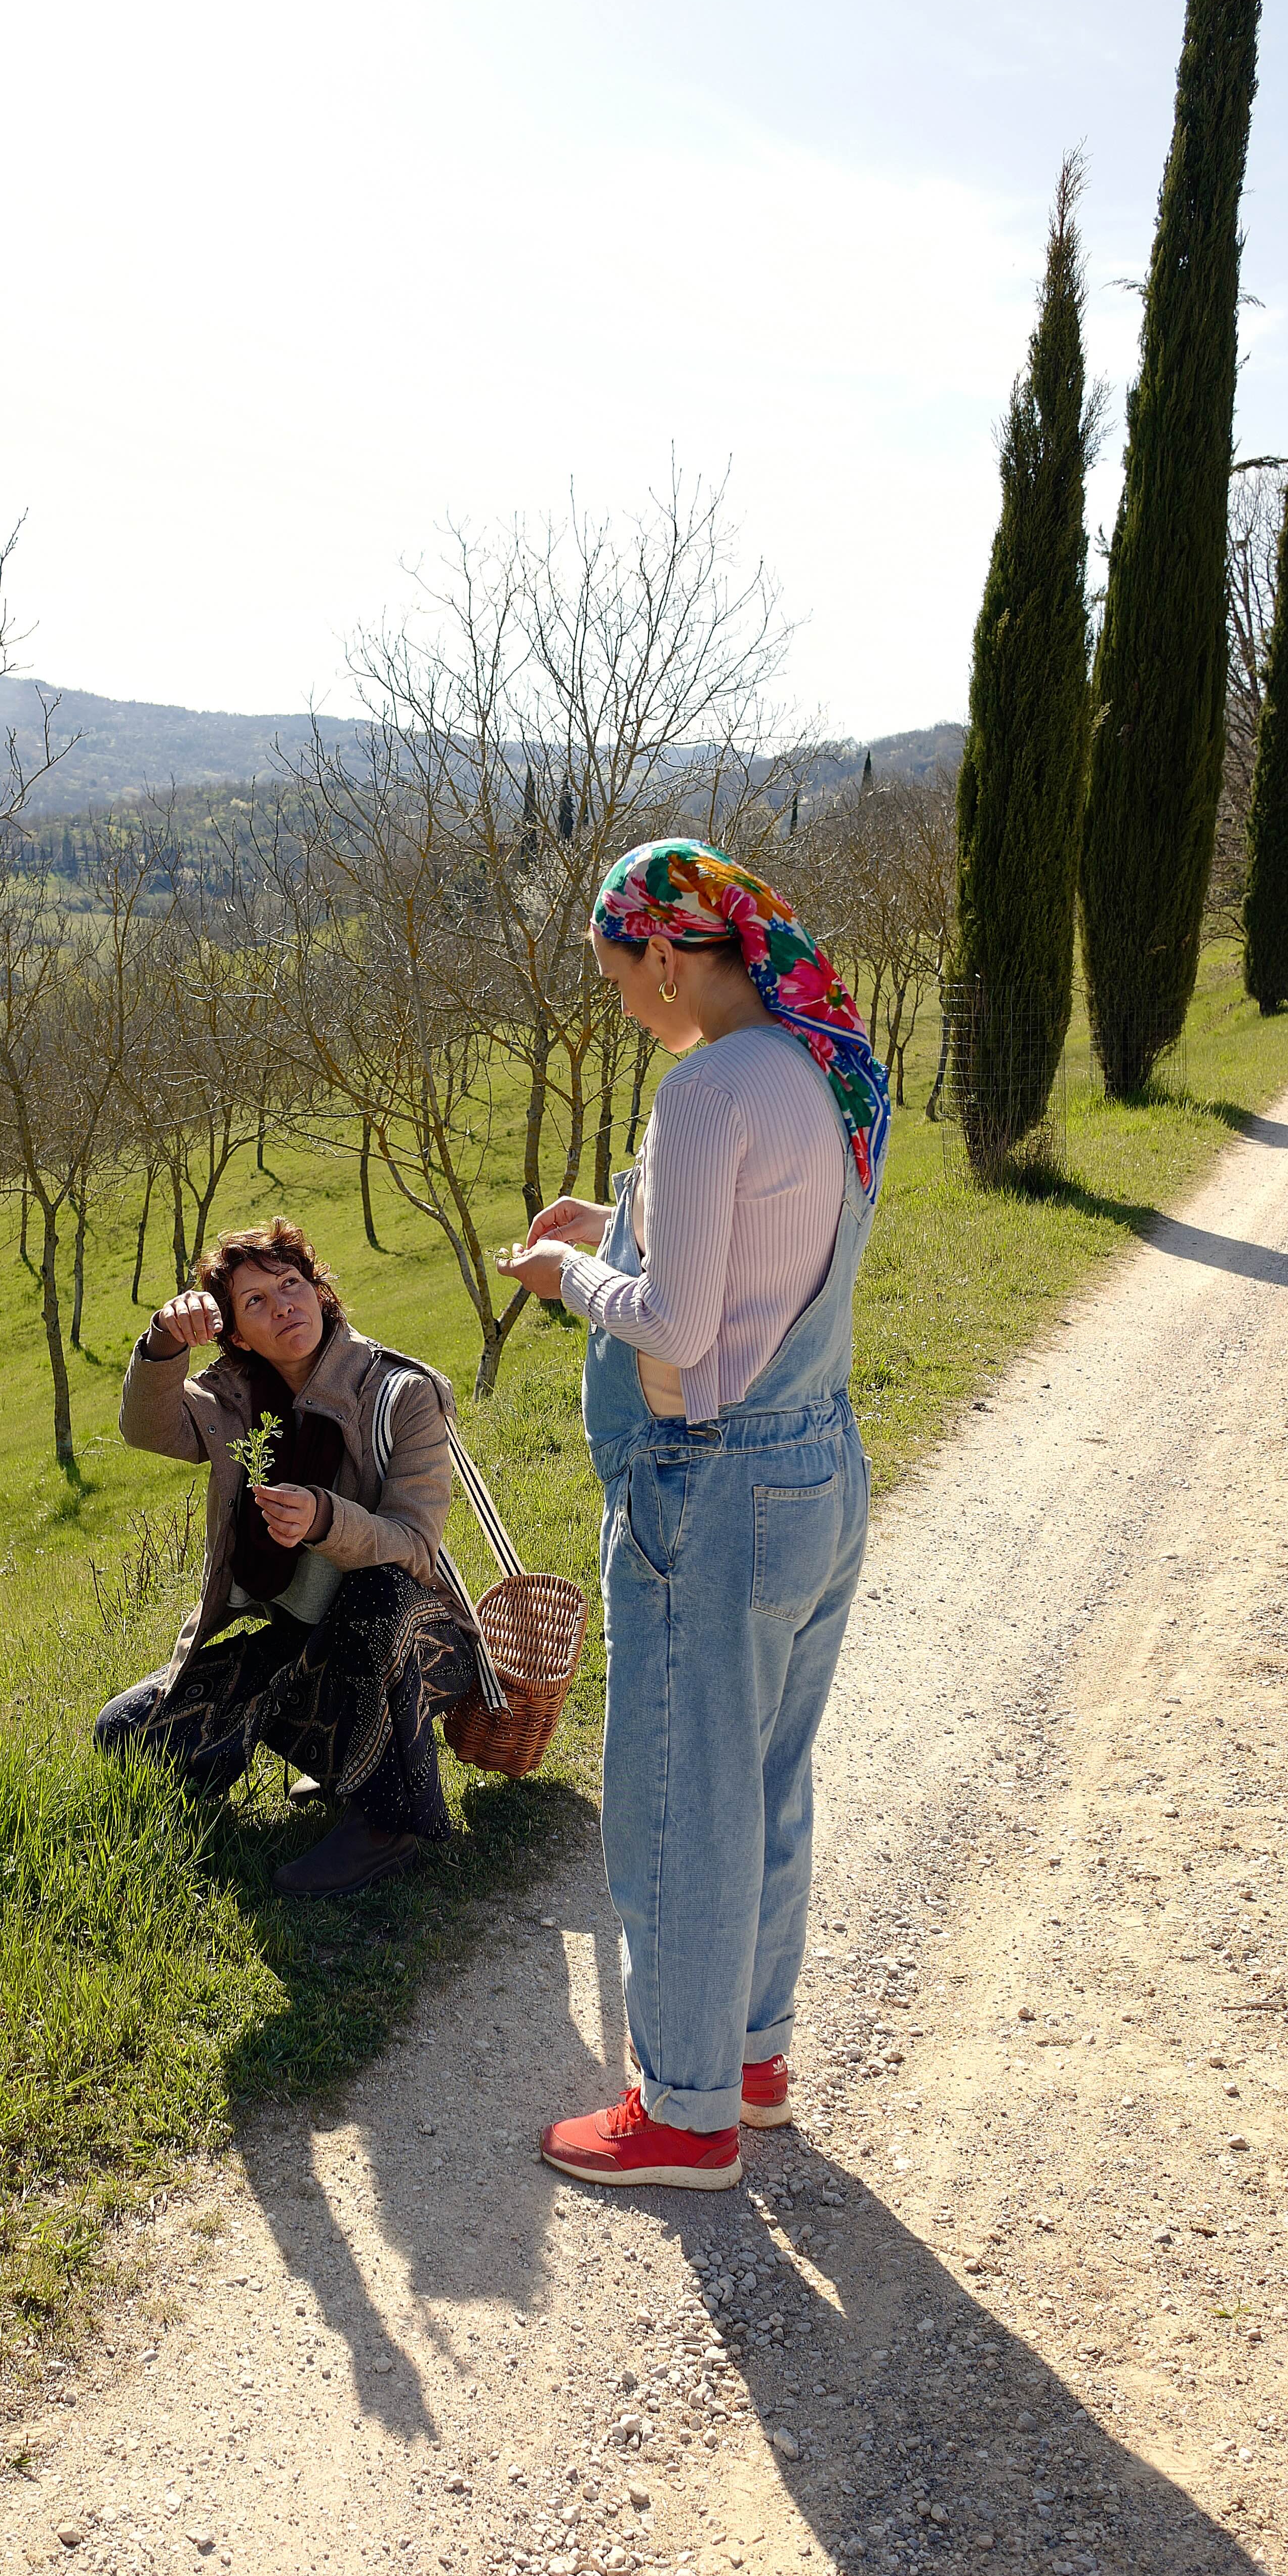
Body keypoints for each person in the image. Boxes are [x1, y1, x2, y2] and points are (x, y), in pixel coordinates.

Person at [498, 838, 890, 2189]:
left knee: (676, 1798)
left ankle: (683, 2114)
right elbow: (745, 1260)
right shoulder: (803, 1068)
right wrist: (609, 1228)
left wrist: (566, 1275)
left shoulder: (705, 1089)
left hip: (712, 1486)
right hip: (816, 1462)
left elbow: (674, 1320)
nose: (623, 1006)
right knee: (770, 1775)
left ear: (667, 954)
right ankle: (752, 2061)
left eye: (621, 981)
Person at [96, 1218, 479, 1896]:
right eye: (257, 1302)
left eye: (291, 1285)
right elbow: (146, 1427)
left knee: (375, 1591)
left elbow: (416, 1547)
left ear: (319, 1292)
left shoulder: (402, 1392)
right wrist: (161, 1339)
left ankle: (389, 1824)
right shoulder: (236, 1403)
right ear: (238, 1334)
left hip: (420, 1646)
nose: (283, 1307)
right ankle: (335, 1758)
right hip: (306, 1642)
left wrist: (327, 1519)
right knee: (126, 1730)